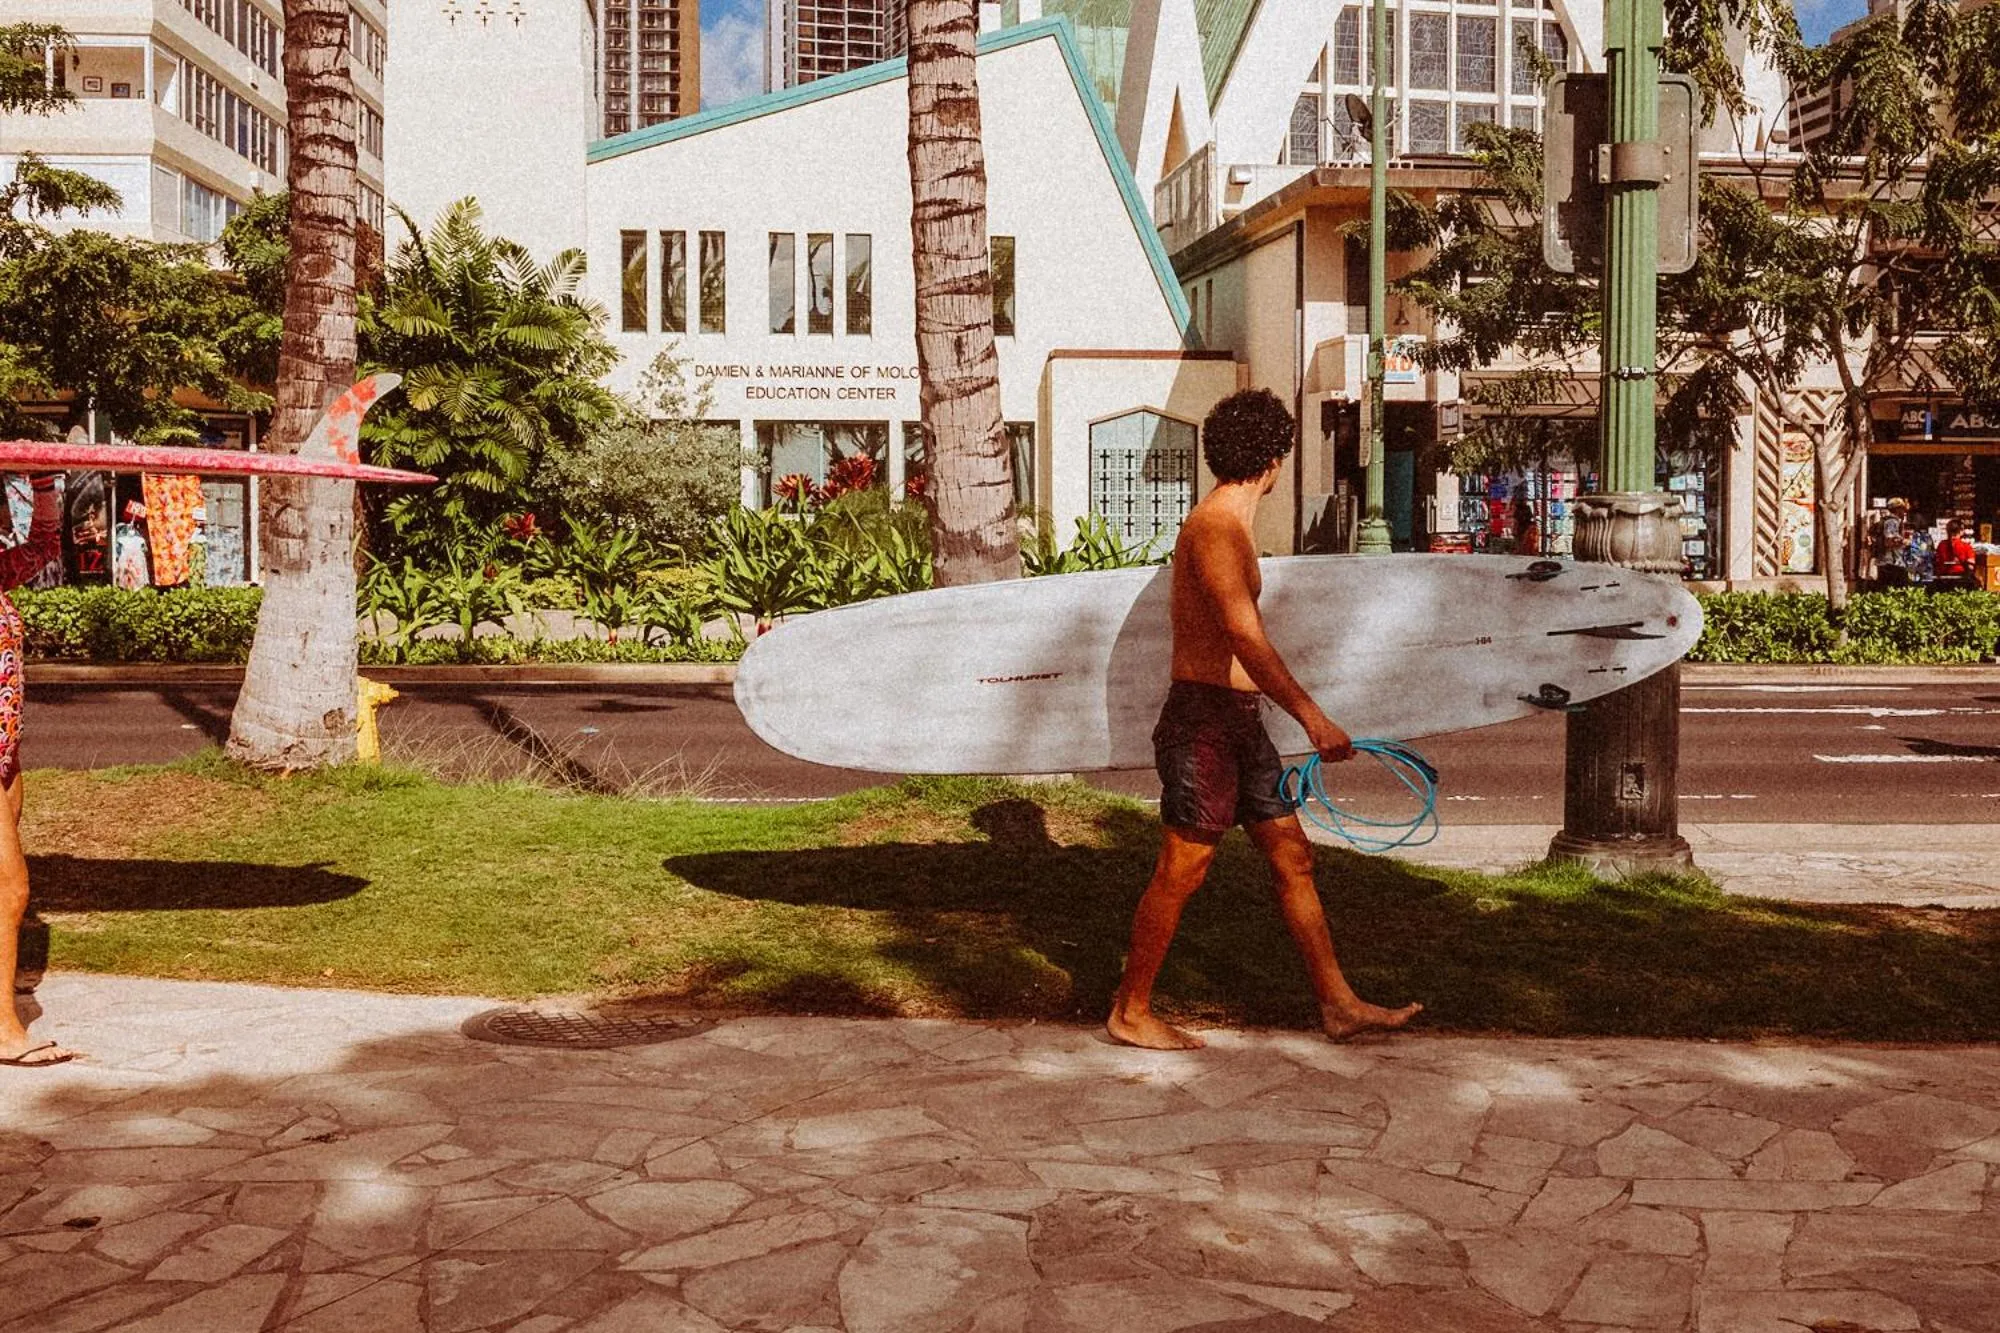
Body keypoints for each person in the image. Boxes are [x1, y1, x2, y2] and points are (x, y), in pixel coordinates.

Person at [1105, 389, 1424, 1051]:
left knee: (1292, 857)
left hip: (1240, 722)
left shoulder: (1230, 524)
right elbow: (1244, 638)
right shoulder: (1216, 528)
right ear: (1274, 461)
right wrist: (1313, 718)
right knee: (1183, 866)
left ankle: (1338, 1003)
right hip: (1204, 722)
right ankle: (1130, 1009)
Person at [1, 475, 77, 1068]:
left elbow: (47, 545)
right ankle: (4, 1030)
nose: (5, 512)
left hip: (6, 751)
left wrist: (48, 478)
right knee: (11, 887)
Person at [1873, 498, 1912, 588]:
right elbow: (1889, 540)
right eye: (1903, 509)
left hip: (1887, 561)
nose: (1904, 512)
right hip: (1891, 562)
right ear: (1897, 509)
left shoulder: (1891, 520)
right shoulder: (1892, 521)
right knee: (1898, 587)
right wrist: (1905, 541)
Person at [1935, 518, 1977, 590]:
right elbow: (1971, 567)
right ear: (1961, 531)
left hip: (1942, 581)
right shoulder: (1966, 547)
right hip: (1961, 581)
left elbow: (1937, 562)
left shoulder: (1941, 545)